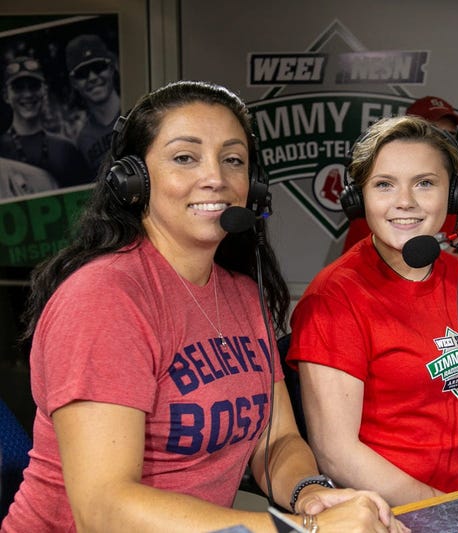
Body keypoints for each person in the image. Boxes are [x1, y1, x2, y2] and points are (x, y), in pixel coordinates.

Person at [0, 81, 406, 533]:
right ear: (134, 178)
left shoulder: (240, 293)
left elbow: (277, 440)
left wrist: (309, 494)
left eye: (233, 159)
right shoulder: (104, 297)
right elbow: (104, 510)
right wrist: (299, 530)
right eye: (184, 157)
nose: (215, 176)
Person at [288, 116, 458, 506]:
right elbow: (337, 453)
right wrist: (446, 511)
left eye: (425, 183)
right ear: (361, 199)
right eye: (384, 185)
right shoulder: (334, 299)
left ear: (454, 195)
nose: (405, 201)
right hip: (389, 514)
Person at [342, 95, 458, 281]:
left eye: (450, 135)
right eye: (433, 131)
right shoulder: (376, 209)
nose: (404, 203)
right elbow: (354, 273)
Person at [0, 55, 91, 190]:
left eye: (34, 86)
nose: (28, 94)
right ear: (6, 95)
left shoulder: (66, 150)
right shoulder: (1, 150)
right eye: (18, 88)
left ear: (44, 90)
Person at [65, 34, 121, 179]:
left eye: (98, 67)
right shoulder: (83, 140)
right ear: (74, 82)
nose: (92, 77)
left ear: (111, 67)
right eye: (82, 73)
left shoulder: (140, 113)